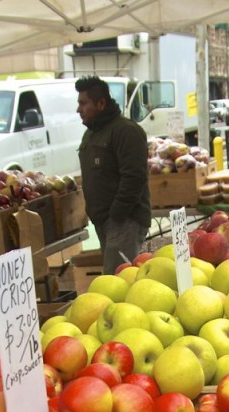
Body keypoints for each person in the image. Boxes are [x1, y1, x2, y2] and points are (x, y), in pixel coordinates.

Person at [75, 76, 152, 276]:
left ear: (101, 103)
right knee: (115, 277)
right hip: (104, 221)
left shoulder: (126, 131)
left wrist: (117, 215)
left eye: (83, 103)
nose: (78, 109)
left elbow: (134, 177)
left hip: (123, 221)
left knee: (118, 279)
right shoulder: (91, 134)